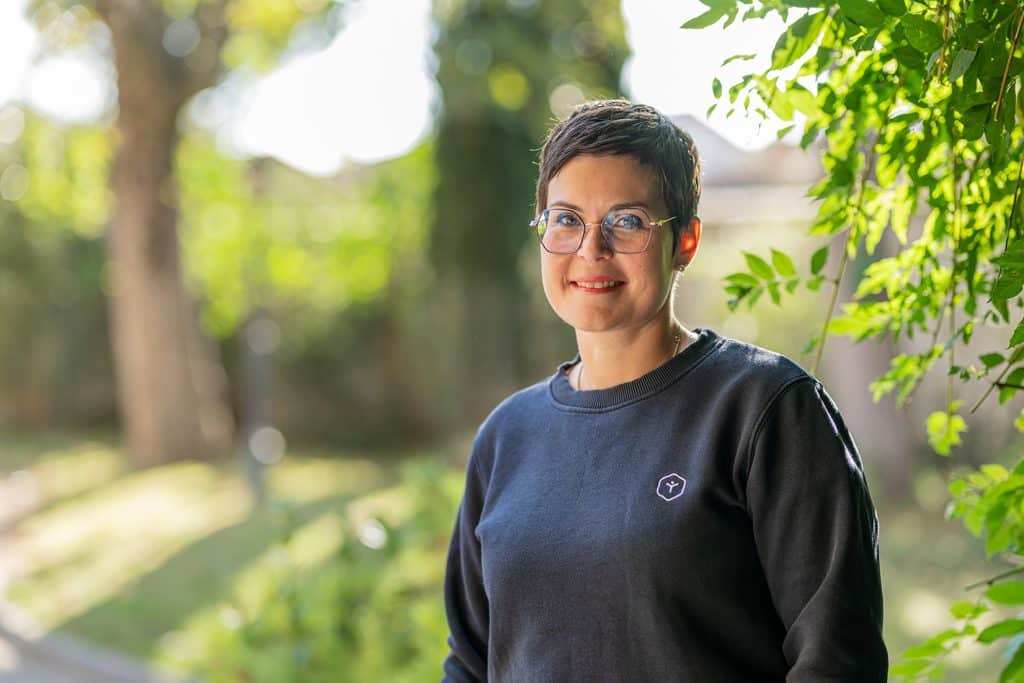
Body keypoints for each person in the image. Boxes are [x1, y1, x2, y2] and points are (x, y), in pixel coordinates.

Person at [441, 99, 887, 682]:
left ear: (685, 242)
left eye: (626, 220)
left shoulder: (766, 410)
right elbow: (471, 663)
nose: (590, 249)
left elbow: (836, 659)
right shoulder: (506, 436)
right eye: (566, 219)